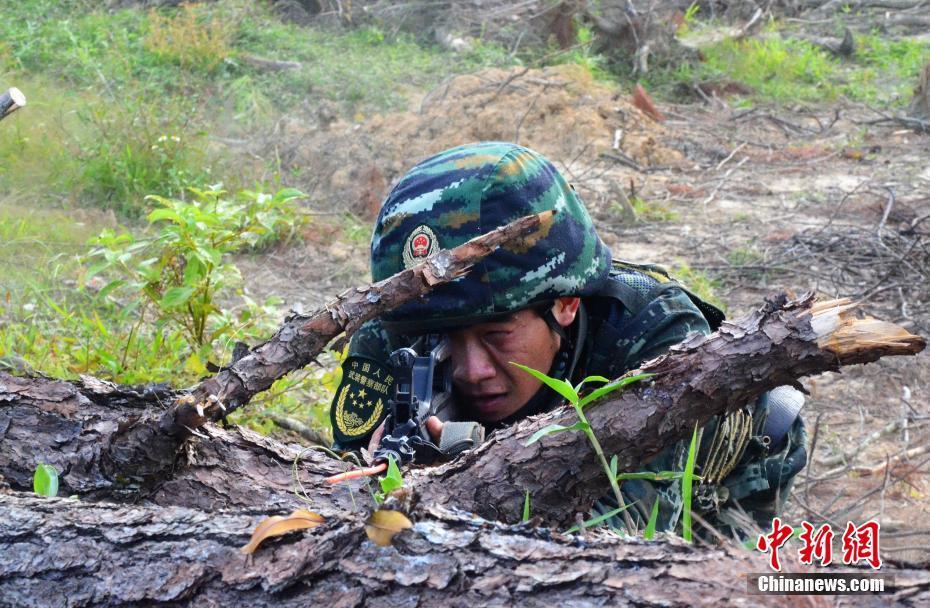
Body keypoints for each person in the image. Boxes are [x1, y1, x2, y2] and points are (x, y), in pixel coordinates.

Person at [329, 142, 807, 537]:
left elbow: (619, 531)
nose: (471, 370)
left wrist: (470, 469)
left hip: (720, 483)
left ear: (566, 304)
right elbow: (335, 491)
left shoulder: (655, 340)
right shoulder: (391, 336)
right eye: (443, 341)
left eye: (497, 335)